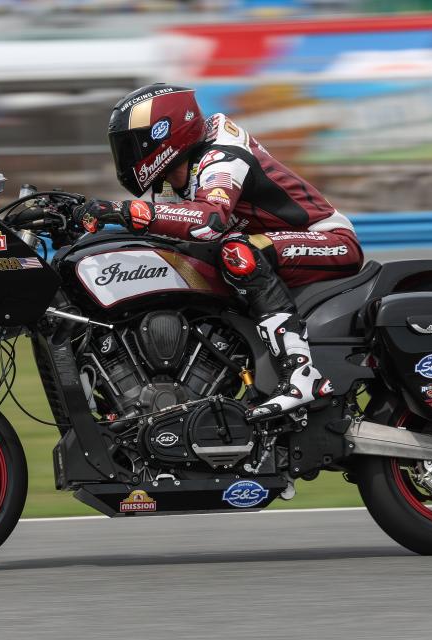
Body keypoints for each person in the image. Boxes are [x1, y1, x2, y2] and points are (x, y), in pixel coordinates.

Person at [75, 84, 363, 421]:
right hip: (271, 247)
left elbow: (209, 221)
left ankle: (302, 377)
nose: (127, 156)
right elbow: (174, 236)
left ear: (164, 135)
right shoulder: (170, 181)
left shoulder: (222, 156)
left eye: (133, 144)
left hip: (326, 241)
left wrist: (124, 211)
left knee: (237, 253)